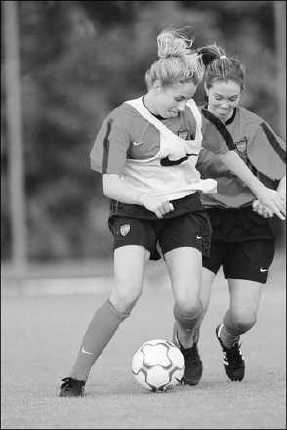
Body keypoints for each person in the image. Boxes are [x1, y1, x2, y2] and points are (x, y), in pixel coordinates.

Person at [59, 30, 285, 397]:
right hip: (135, 210)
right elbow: (110, 185)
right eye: (179, 99)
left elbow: (228, 155)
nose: (184, 107)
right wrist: (145, 199)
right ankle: (76, 376)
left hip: (184, 211)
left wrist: (264, 192)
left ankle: (187, 345)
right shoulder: (123, 120)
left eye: (188, 100)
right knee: (127, 293)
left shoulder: (194, 115)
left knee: (190, 303)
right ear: (157, 85)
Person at [175, 44, 285, 384]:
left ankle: (228, 339)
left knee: (244, 316)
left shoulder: (253, 126)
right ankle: (186, 349)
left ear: (241, 96)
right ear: (205, 90)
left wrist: (276, 199)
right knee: (192, 305)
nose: (224, 105)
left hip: (249, 224)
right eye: (218, 97)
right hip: (200, 218)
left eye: (232, 99)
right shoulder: (186, 121)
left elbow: (283, 173)